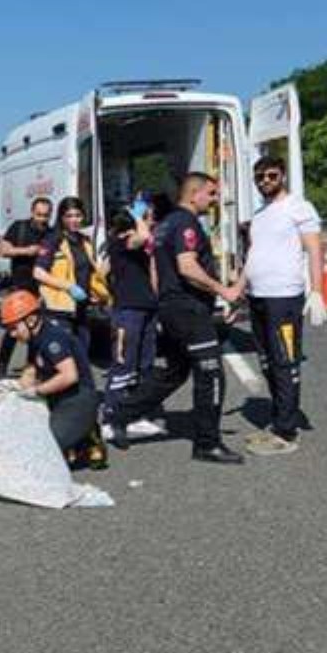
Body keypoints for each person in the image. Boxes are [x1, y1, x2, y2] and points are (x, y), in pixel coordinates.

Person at [108, 172, 245, 465]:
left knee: (174, 372)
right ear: (194, 194)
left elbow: (158, 270)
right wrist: (224, 291)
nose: (215, 199)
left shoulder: (165, 224)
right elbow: (186, 267)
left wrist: (162, 303)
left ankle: (118, 415)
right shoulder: (185, 223)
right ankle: (207, 443)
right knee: (210, 373)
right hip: (188, 310)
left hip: (172, 308)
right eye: (211, 193)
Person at [241, 155, 326, 455]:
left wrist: (317, 291)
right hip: (258, 297)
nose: (265, 181)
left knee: (285, 363)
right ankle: (279, 420)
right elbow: (253, 256)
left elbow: (314, 249)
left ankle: (287, 431)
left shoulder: (299, 207)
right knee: (267, 363)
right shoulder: (260, 214)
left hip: (284, 298)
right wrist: (238, 291)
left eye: (271, 176)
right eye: (260, 177)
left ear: (283, 176)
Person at [0, 290, 105, 471]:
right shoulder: (35, 338)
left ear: (31, 320)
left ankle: (89, 436)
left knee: (46, 449)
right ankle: (74, 439)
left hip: (78, 398)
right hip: (57, 398)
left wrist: (37, 391)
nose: (12, 334)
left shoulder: (53, 339)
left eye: (14, 328)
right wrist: (14, 388)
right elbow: (31, 370)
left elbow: (69, 376)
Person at [100, 206, 167, 442]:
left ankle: (136, 414)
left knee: (145, 366)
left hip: (147, 309)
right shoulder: (120, 244)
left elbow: (152, 271)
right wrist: (137, 215)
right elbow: (145, 235)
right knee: (124, 365)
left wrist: (158, 305)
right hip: (127, 312)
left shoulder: (137, 249)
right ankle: (110, 416)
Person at [0, 196, 53, 378]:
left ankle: (31, 368)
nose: (42, 219)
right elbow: (2, 250)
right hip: (19, 287)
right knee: (14, 331)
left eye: (46, 215)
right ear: (32, 212)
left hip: (41, 290)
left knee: (36, 332)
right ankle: (2, 367)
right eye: (39, 214)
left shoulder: (52, 234)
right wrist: (27, 251)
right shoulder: (19, 227)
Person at [33, 196, 97, 362]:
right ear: (61, 217)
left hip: (81, 307)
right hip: (59, 308)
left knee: (82, 353)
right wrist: (68, 287)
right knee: (63, 359)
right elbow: (38, 272)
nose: (74, 220)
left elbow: (89, 271)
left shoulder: (85, 241)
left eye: (77, 215)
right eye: (69, 216)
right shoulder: (53, 240)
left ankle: (81, 387)